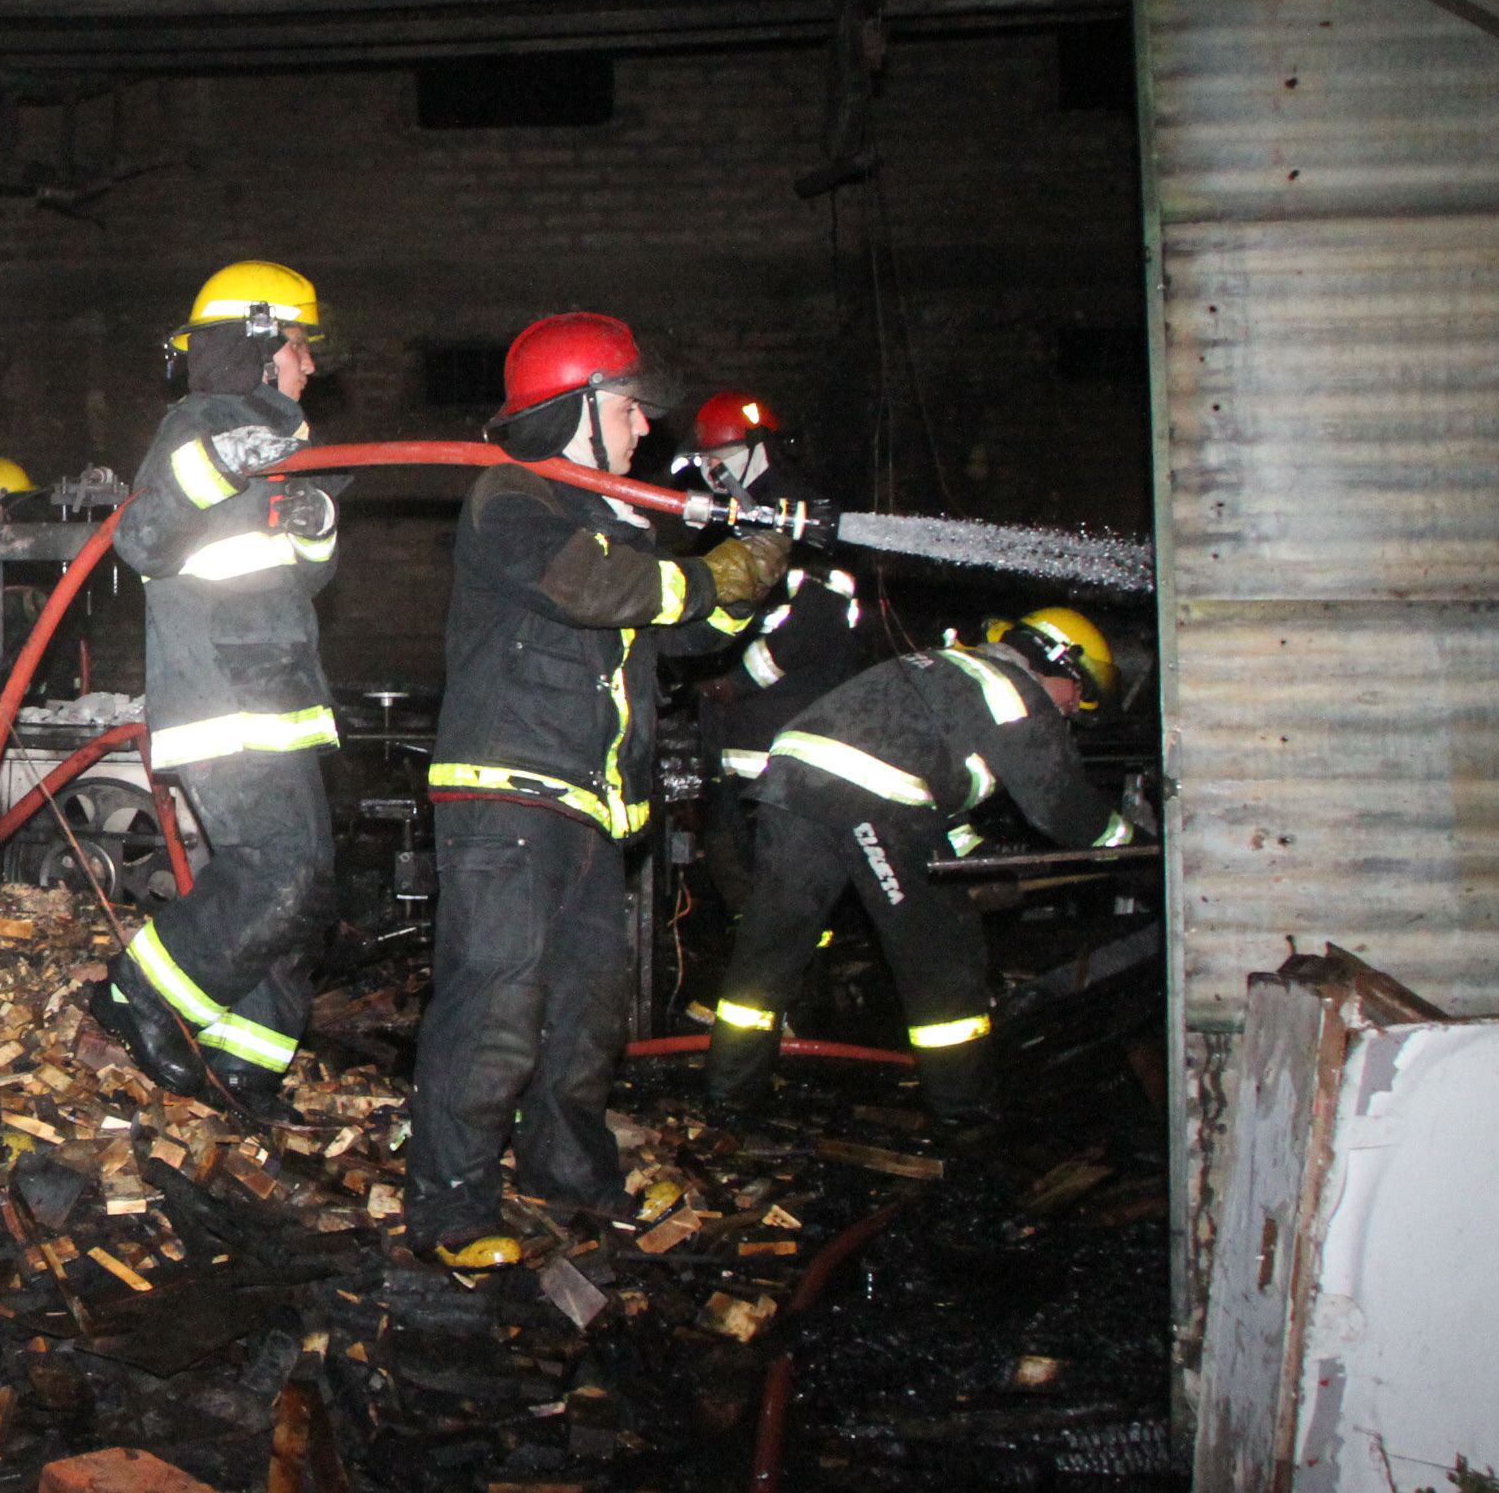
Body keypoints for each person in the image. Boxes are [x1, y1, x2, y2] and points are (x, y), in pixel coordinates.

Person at [407, 314, 785, 1277]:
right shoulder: (513, 497)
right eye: (626, 409)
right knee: (496, 1006)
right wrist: (705, 576)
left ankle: (570, 1173)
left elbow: (677, 630)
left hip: (590, 806)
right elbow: (589, 588)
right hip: (509, 794)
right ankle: (450, 1206)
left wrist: (745, 581)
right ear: (572, 411)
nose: (644, 429)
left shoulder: (615, 524)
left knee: (586, 1012)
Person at [706, 608, 1143, 1128]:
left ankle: (729, 1096)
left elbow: (929, 790)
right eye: (1079, 691)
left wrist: (976, 860)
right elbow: (1062, 807)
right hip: (869, 796)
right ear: (1058, 661)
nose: (1074, 707)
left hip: (792, 782)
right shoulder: (1016, 695)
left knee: (772, 944)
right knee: (941, 952)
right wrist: (1137, 850)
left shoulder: (949, 669)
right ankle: (963, 1111)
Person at [92, 261, 343, 1126]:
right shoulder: (198, 425)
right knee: (282, 874)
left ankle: (246, 1065)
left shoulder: (290, 440)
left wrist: (318, 524)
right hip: (220, 694)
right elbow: (145, 536)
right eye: (301, 345)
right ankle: (141, 994)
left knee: (305, 894)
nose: (311, 364)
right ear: (260, 342)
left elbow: (300, 579)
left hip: (281, 693)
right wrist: (220, 463)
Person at [675, 390, 868, 899]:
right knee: (737, 861)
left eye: (719, 459)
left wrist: (736, 681)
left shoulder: (803, 517)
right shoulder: (732, 516)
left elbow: (817, 620)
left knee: (787, 871)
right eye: (705, 462)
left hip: (790, 720)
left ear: (758, 449)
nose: (710, 472)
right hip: (737, 726)